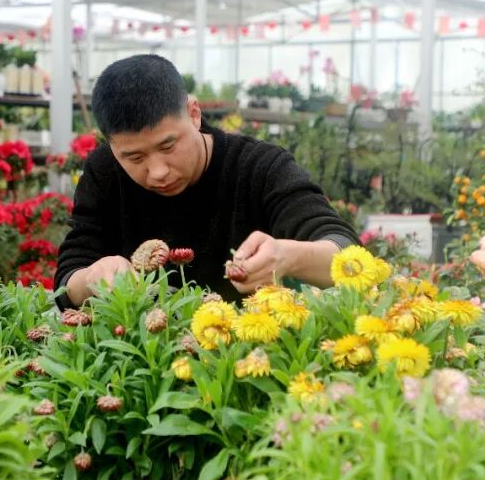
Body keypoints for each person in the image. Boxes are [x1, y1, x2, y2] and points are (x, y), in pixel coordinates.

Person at [54, 54, 359, 309]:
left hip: (247, 349)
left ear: (194, 113)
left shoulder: (259, 167)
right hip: (140, 352)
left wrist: (288, 257)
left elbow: (347, 252)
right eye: (134, 157)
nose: (158, 171)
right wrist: (91, 278)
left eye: (168, 146)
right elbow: (68, 278)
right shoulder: (105, 171)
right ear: (110, 144)